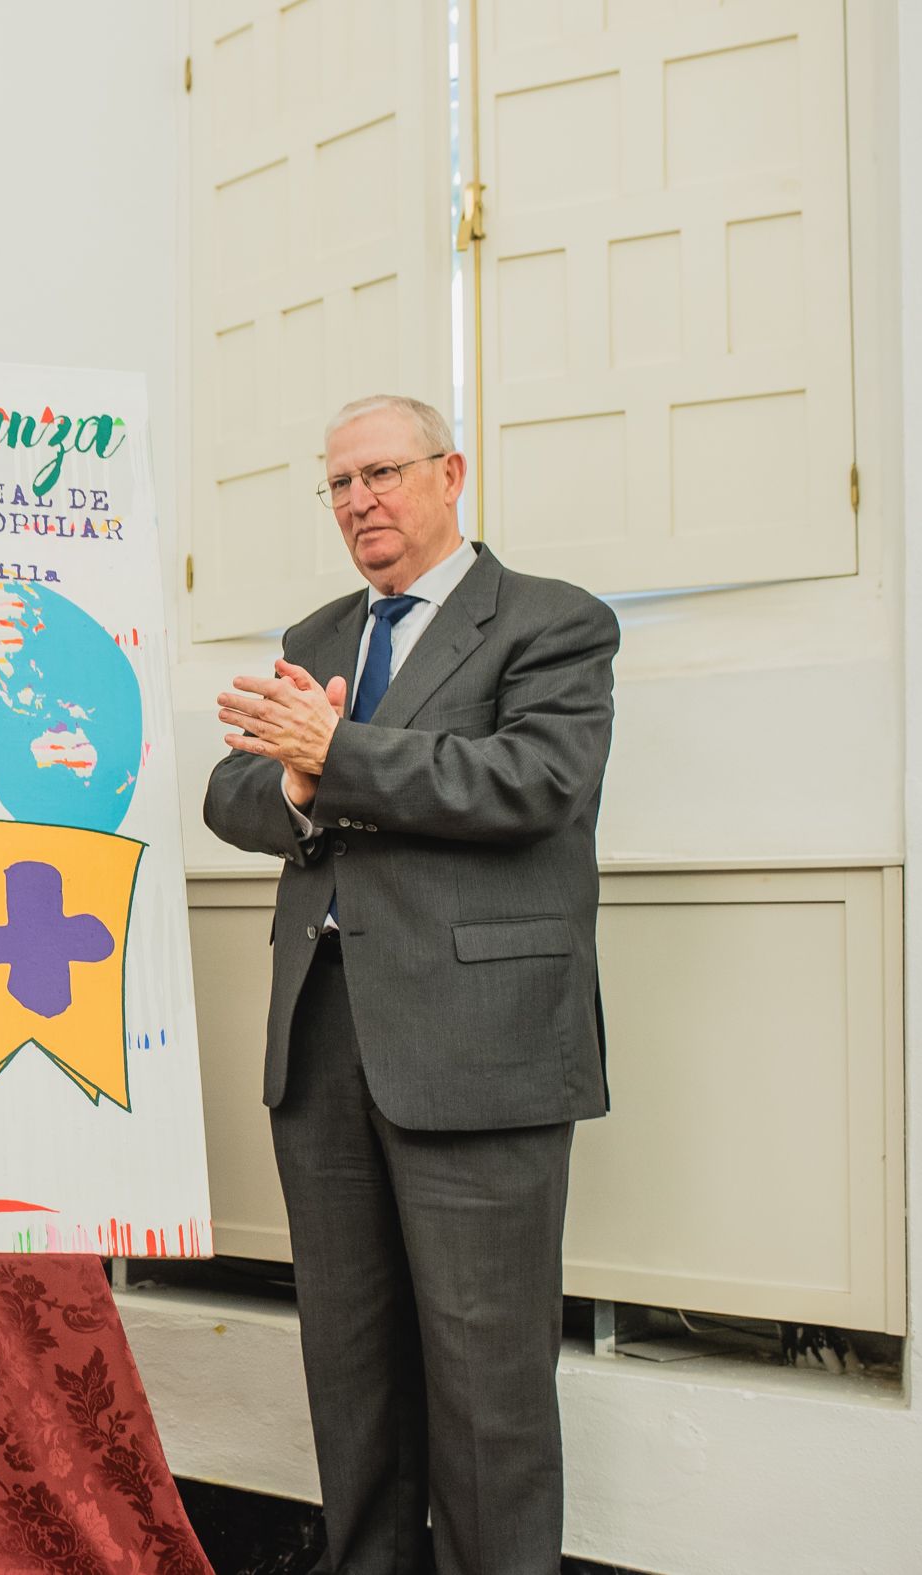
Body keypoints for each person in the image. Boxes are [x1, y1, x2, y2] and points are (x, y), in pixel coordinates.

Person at [202, 394, 619, 1575]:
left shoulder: (551, 622)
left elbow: (534, 782)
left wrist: (329, 757)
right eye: (336, 484)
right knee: (351, 1367)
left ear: (452, 474)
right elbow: (230, 797)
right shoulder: (318, 632)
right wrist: (288, 785)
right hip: (324, 1039)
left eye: (381, 473)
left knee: (488, 1386)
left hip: (477, 1047)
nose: (357, 502)